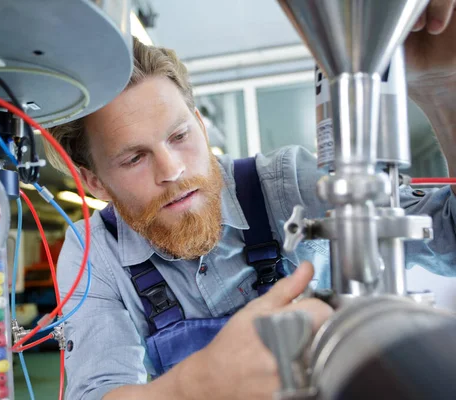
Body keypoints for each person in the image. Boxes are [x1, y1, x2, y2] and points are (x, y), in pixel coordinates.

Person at [46, 3, 456, 399]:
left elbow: (449, 237)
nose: (171, 170)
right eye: (134, 157)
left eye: (180, 136)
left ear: (201, 127)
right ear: (93, 181)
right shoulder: (94, 251)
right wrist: (195, 388)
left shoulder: (284, 185)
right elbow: (96, 392)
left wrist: (443, 90)